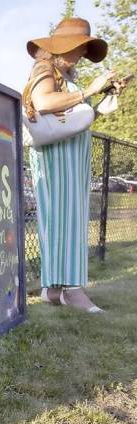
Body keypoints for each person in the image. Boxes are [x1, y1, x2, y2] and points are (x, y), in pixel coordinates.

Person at [25, 17, 127, 312]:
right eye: (80, 48)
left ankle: (54, 289)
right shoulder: (46, 69)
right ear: (64, 47)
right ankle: (73, 289)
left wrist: (105, 98)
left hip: (71, 156)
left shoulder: (67, 76)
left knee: (66, 217)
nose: (83, 54)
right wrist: (89, 91)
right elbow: (43, 102)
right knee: (63, 216)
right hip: (57, 158)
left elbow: (75, 119)